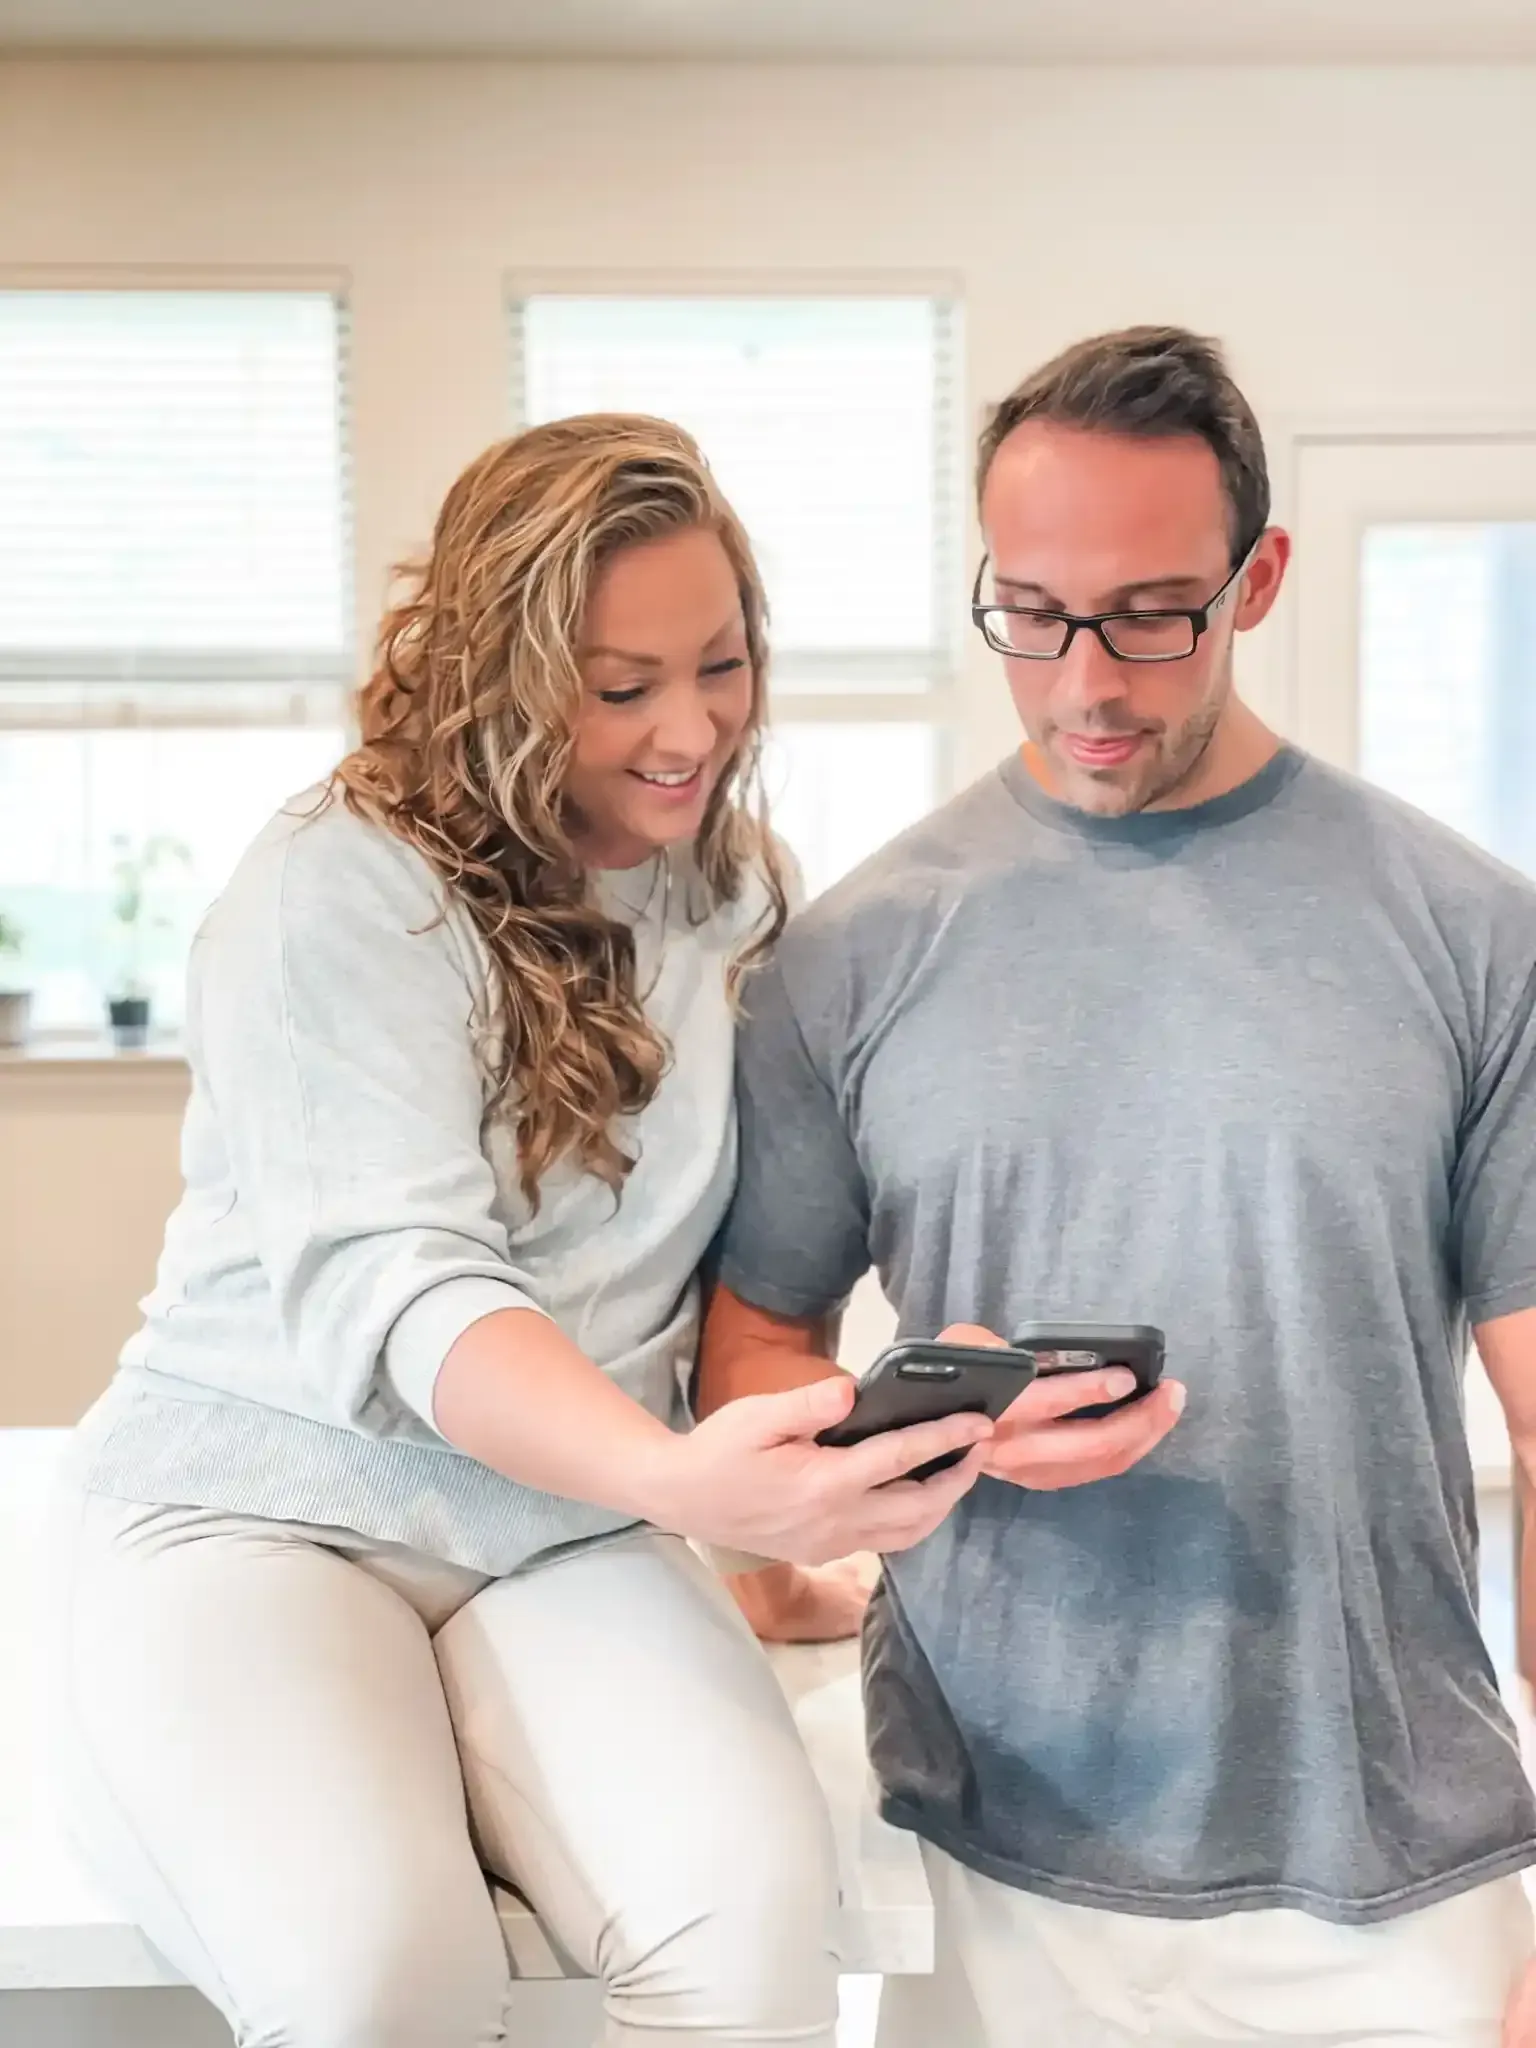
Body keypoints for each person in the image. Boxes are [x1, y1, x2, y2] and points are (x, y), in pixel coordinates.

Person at [46, 414, 1039, 2048]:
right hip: (258, 1507)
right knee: (382, 1980)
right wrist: (678, 1484)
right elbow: (404, 1284)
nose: (690, 730)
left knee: (753, 1938)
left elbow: (766, 1219)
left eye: (720, 665)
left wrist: (822, 1462)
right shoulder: (335, 888)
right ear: (500, 671)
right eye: (620, 683)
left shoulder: (724, 888)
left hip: (560, 1525)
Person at [699, 326, 1536, 2048]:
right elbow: (751, 1360)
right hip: (990, 1854)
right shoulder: (851, 958)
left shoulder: (1473, 937)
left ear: (1259, 578)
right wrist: (927, 1426)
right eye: (1033, 612)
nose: (1088, 680)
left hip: (1393, 1860)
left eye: (1155, 611)